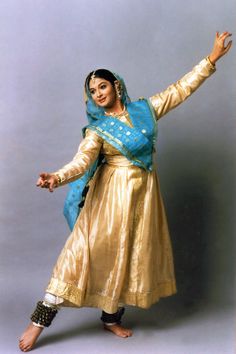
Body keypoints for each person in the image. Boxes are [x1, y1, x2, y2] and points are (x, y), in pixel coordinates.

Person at [19, 31, 232, 352]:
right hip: (108, 201)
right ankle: (37, 323)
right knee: (78, 257)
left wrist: (211, 58)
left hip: (142, 199)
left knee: (127, 256)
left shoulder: (145, 110)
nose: (98, 93)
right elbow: (81, 162)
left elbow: (180, 90)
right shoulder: (98, 130)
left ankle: (110, 318)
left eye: (102, 86)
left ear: (116, 86)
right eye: (92, 91)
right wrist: (57, 177)